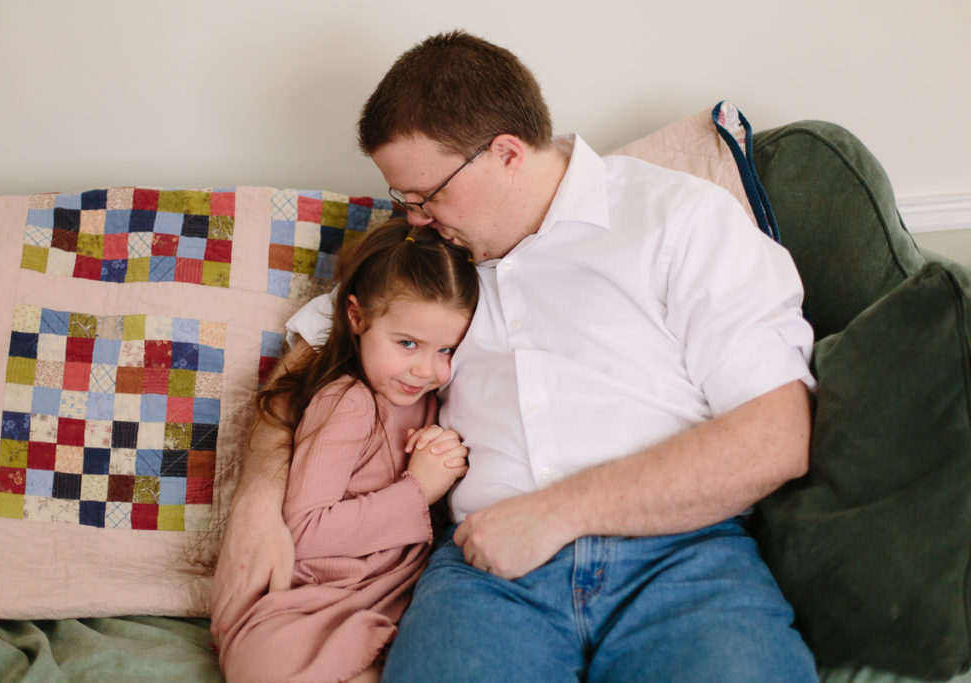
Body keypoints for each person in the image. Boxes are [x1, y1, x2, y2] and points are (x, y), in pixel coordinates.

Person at [213, 30, 820, 681]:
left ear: (504, 152)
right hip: (490, 576)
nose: (413, 218)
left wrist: (558, 512)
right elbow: (304, 366)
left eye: (426, 195)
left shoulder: (678, 218)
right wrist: (254, 500)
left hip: (685, 561)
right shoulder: (429, 262)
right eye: (402, 200)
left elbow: (776, 436)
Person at [217, 219, 478, 682]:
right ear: (356, 318)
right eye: (407, 343)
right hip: (317, 599)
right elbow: (307, 530)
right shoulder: (348, 401)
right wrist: (419, 488)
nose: (425, 369)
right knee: (270, 665)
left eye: (447, 350)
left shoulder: (425, 401)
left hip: (388, 596)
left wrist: (440, 447)